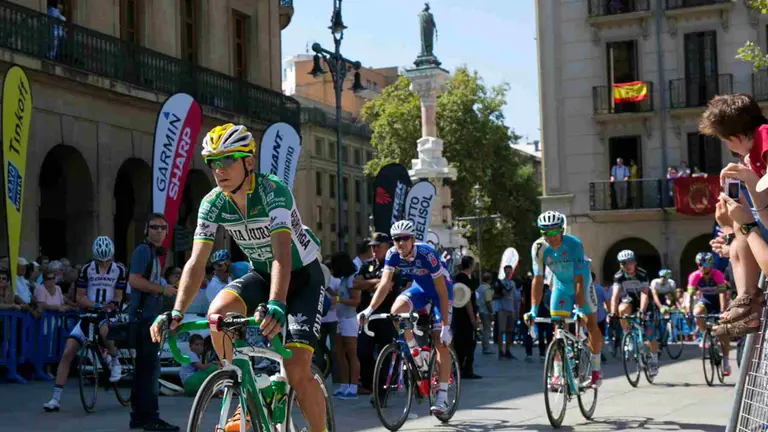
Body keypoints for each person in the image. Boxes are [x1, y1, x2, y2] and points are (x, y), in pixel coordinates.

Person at [149, 123, 327, 432]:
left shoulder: (273, 192)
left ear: (249, 162)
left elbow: (282, 257)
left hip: (302, 277)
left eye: (227, 160)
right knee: (217, 314)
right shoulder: (213, 202)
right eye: (213, 162)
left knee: (297, 370)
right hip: (261, 273)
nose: (219, 170)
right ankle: (242, 390)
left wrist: (276, 303)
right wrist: (177, 310)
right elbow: (196, 261)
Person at [358, 220, 454, 415]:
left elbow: (442, 291)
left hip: (441, 291)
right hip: (419, 289)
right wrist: (369, 310)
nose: (400, 243)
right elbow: (385, 284)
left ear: (413, 239)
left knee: (439, 340)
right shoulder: (393, 254)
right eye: (396, 239)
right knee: (396, 311)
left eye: (404, 238)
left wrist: (445, 325)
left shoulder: (427, 253)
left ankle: (442, 397)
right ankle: (415, 352)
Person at [43, 236, 126, 412]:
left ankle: (115, 361)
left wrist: (114, 305)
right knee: (67, 352)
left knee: (105, 331)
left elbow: (119, 294)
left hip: (107, 312)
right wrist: (95, 305)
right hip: (89, 313)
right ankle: (55, 398)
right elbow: (79, 297)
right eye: (100, 261)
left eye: (107, 261)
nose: (103, 265)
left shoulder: (119, 269)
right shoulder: (87, 269)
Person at [524, 211, 602, 388]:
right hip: (560, 286)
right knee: (558, 328)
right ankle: (558, 374)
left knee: (591, 325)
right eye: (545, 233)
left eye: (553, 232)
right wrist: (533, 310)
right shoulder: (538, 247)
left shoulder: (573, 244)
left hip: (582, 282)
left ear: (562, 230)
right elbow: (537, 279)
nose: (549, 237)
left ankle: (596, 369)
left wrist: (581, 308)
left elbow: (579, 278)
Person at [128, 215, 179, 431]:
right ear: (146, 230)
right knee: (150, 372)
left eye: (163, 228)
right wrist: (163, 290)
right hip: (145, 320)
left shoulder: (152, 254)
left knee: (144, 370)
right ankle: (150, 418)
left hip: (148, 318)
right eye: (155, 227)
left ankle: (139, 417)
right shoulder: (143, 251)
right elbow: (134, 280)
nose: (159, 231)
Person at [354, 232, 401, 398]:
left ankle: (382, 392)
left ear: (387, 246)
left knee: (385, 352)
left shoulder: (394, 265)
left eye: (377, 246)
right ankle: (369, 384)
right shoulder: (367, 265)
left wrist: (375, 284)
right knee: (362, 352)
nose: (374, 249)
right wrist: (377, 282)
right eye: (372, 246)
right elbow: (355, 284)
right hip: (367, 314)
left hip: (387, 315)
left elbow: (387, 286)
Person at [609, 249, 658, 377]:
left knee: (650, 335)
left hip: (644, 301)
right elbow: (615, 296)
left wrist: (642, 311)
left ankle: (653, 360)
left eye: (630, 262)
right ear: (620, 265)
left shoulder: (642, 273)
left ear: (635, 262)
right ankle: (627, 334)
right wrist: (612, 313)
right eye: (624, 263)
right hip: (631, 300)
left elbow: (644, 293)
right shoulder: (618, 276)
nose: (628, 265)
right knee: (621, 309)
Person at [687, 252, 731, 375]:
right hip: (705, 301)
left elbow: (722, 294)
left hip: (718, 302)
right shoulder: (694, 276)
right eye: (700, 264)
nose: (703, 267)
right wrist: (688, 310)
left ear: (711, 264)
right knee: (697, 312)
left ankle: (726, 362)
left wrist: (722, 311)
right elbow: (690, 295)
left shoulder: (717, 274)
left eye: (706, 264)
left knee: (722, 332)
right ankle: (704, 335)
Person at [328, 251, 361, 399]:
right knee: (338, 352)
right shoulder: (343, 279)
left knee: (351, 354)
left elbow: (355, 301)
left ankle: (353, 387)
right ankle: (344, 385)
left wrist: (339, 300)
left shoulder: (352, 279)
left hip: (349, 319)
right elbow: (336, 294)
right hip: (340, 319)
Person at [453, 256, 480, 378]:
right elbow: (467, 301)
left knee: (459, 344)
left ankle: (459, 369)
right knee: (468, 344)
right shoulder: (465, 280)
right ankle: (466, 370)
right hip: (464, 318)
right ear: (470, 265)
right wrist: (473, 319)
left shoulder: (456, 278)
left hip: (457, 316)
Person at [495, 265, 518, 360]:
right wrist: (500, 293)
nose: (508, 273)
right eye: (507, 271)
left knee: (510, 331)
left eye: (510, 272)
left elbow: (515, 297)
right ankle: (500, 351)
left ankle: (508, 350)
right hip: (502, 310)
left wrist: (516, 310)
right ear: (504, 272)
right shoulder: (500, 282)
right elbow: (494, 296)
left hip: (511, 310)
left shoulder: (513, 283)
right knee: (501, 331)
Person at [475, 272, 494, 355]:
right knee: (487, 330)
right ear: (490, 280)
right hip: (486, 312)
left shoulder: (479, 288)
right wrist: (492, 312)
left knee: (483, 330)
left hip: (480, 311)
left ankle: (484, 346)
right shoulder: (487, 288)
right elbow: (488, 302)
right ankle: (486, 348)